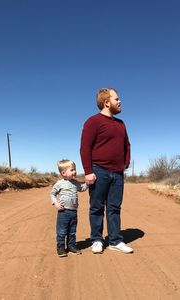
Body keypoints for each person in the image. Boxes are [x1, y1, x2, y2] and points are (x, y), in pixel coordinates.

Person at [80, 87, 133, 254]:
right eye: (116, 99)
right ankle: (96, 239)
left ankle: (115, 240)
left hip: (117, 172)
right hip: (98, 170)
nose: (120, 101)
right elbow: (85, 148)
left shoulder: (121, 123)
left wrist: (125, 163)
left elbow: (127, 145)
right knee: (96, 207)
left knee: (114, 208)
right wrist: (88, 171)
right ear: (107, 102)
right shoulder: (93, 121)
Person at [50, 159, 88, 257]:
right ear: (63, 173)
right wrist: (56, 203)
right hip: (63, 212)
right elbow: (52, 194)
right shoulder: (59, 183)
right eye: (72, 170)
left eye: (75, 169)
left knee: (72, 231)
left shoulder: (76, 183)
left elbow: (82, 188)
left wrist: (88, 184)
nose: (75, 171)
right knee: (62, 231)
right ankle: (61, 248)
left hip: (73, 212)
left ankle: (71, 246)